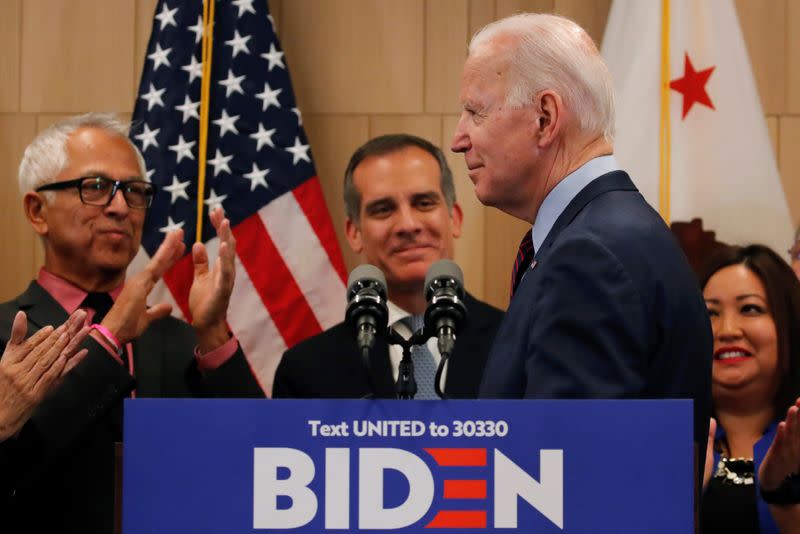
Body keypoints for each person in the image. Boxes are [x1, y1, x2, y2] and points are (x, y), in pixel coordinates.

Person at [450, 13, 712, 478]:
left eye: (476, 111)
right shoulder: (616, 233)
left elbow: (565, 485)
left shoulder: (590, 256)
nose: (458, 138)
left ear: (545, 118)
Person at [0, 113, 264, 533]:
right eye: (97, 188)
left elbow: (263, 463)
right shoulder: (4, 334)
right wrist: (108, 338)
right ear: (37, 211)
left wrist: (213, 332)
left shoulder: (180, 342)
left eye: (135, 192)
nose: (122, 208)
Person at [273, 134, 503, 399]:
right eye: (383, 209)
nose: (408, 225)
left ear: (454, 219)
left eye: (424, 203)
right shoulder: (305, 370)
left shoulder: (516, 345)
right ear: (354, 233)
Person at [700, 245, 800, 533]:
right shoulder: (665, 436)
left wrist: (784, 492)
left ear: (788, 324)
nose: (727, 330)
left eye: (750, 309)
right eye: (710, 313)